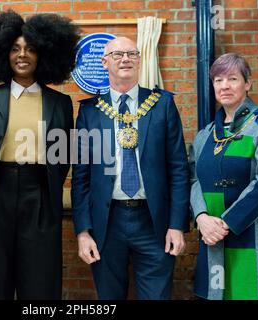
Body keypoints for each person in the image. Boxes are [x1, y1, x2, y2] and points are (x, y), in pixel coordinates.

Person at [0, 10, 79, 300]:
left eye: (30, 49)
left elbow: (63, 156)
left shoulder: (60, 103)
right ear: (3, 54)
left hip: (40, 194)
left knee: (40, 280)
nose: (22, 55)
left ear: (42, 55)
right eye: (15, 49)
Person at [71, 36, 190, 300]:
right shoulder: (90, 112)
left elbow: (179, 169)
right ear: (104, 62)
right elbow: (81, 176)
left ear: (139, 59)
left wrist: (177, 225)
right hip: (107, 222)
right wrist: (82, 231)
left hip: (154, 221)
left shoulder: (162, 105)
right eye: (117, 55)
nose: (125, 59)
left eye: (131, 53)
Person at [190, 53, 258, 300]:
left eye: (233, 79)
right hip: (213, 239)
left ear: (247, 84)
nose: (224, 86)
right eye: (218, 80)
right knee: (220, 293)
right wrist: (202, 218)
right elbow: (193, 180)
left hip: (256, 234)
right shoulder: (205, 135)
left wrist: (225, 223)